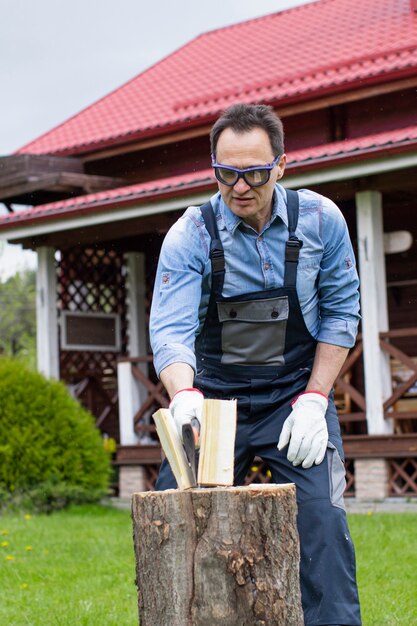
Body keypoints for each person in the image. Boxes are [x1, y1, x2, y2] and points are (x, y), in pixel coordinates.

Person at [150, 103, 361, 626]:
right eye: (227, 173)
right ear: (214, 168)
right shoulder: (190, 234)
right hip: (213, 403)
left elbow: (341, 312)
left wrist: (316, 399)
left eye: (255, 172)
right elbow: (170, 329)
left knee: (324, 524)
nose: (240, 187)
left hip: (296, 397)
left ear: (282, 165)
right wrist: (183, 396)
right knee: (172, 523)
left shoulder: (321, 220)